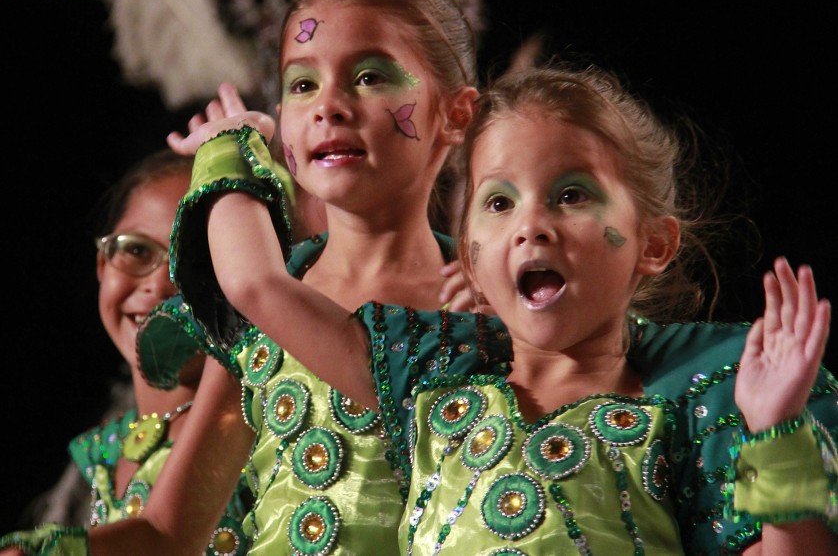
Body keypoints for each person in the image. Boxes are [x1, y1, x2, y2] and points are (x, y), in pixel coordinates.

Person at [193, 63, 838, 554]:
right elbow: (257, 286)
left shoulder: (695, 400)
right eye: (500, 203)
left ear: (654, 244)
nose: (531, 226)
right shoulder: (426, 374)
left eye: (572, 195)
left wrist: (775, 433)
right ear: (471, 257)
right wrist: (227, 150)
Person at [0, 148, 252, 556]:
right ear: (102, 265)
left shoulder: (257, 422)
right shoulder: (101, 452)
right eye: (137, 250)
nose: (159, 286)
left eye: (198, 261)